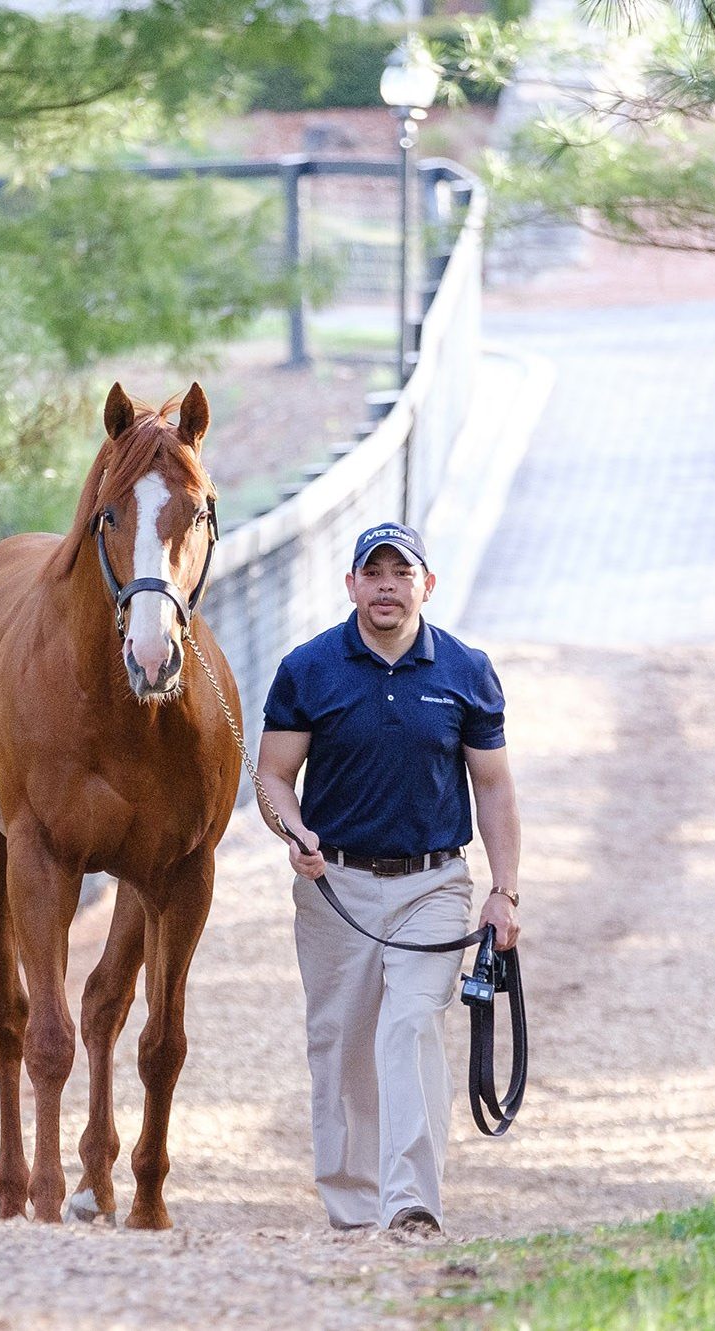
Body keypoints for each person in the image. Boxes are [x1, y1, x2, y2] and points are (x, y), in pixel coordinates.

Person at [255, 520, 521, 1238]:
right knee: (342, 1044)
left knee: (409, 1027)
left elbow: (493, 787)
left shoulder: (467, 671)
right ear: (351, 585)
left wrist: (505, 889)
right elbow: (274, 776)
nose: (386, 586)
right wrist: (294, 832)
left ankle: (410, 1202)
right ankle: (352, 1208)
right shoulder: (308, 669)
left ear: (425, 585)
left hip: (434, 886)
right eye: (373, 573)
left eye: (400, 573)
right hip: (334, 887)